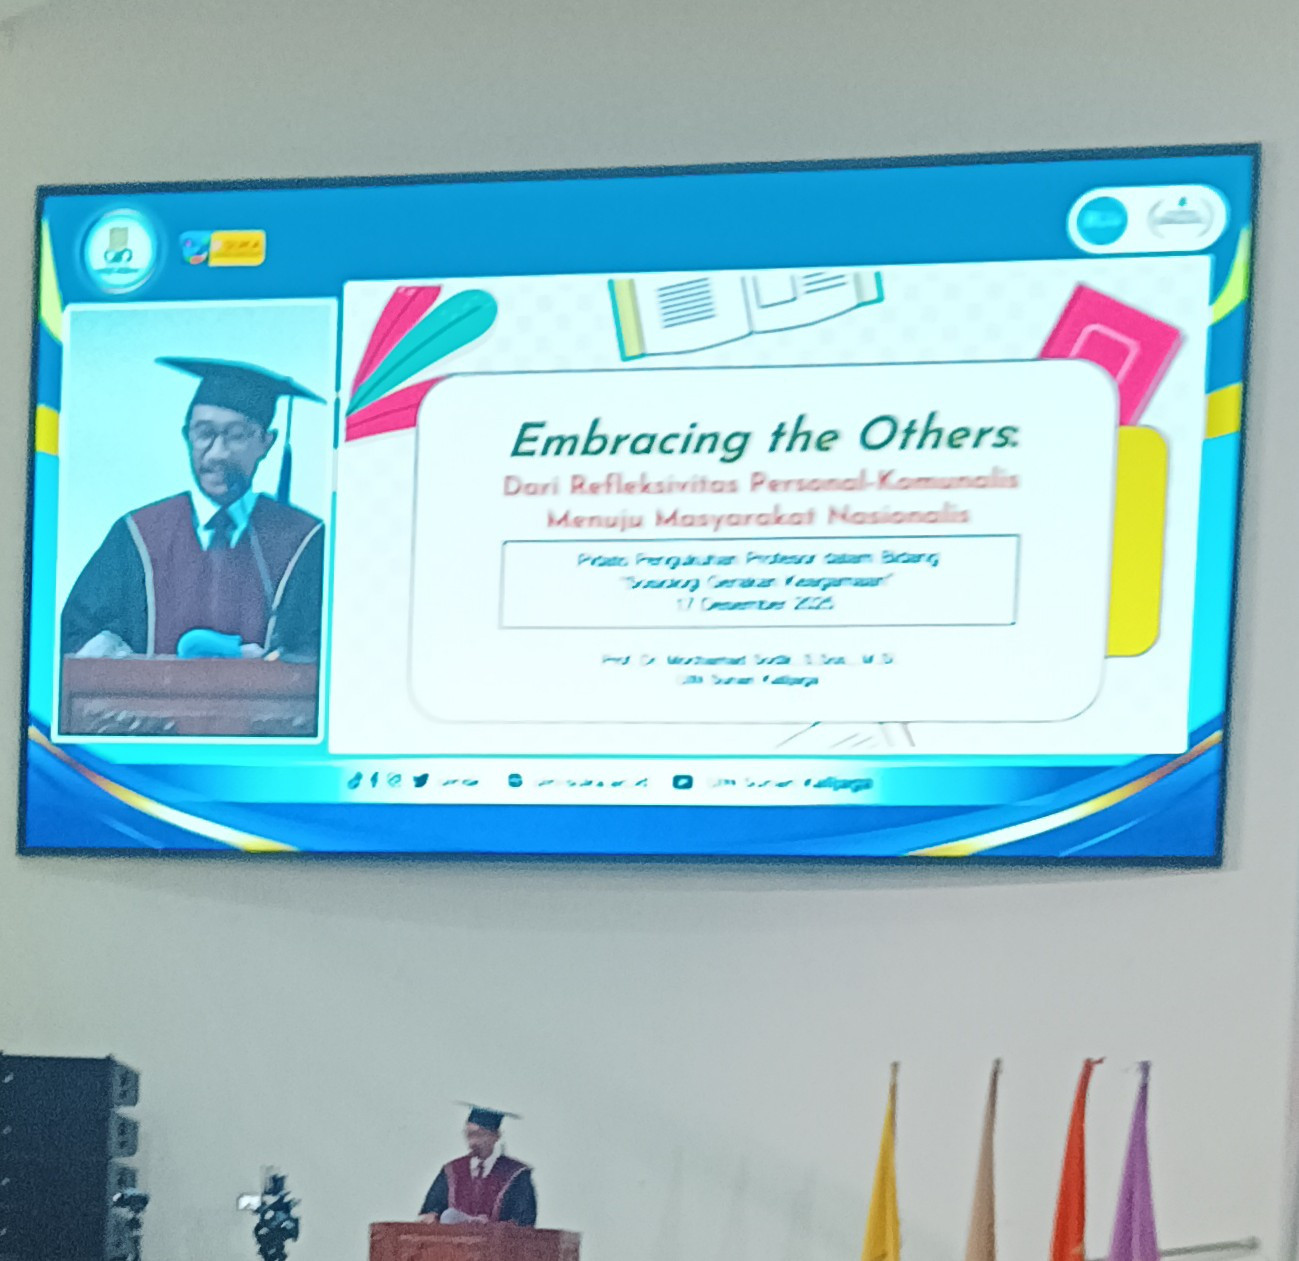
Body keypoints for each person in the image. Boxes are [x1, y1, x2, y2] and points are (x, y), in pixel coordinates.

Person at [60, 357, 327, 662]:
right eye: (204, 434)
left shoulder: (303, 539)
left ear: (266, 443)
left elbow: (324, 650)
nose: (217, 453)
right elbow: (77, 637)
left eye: (236, 435)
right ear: (187, 436)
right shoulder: (138, 534)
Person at [419, 1105, 537, 1227]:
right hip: (453, 1239)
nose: (472, 1142)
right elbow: (430, 1212)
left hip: (496, 1239)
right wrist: (432, 1217)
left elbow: (524, 1222)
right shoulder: (451, 1170)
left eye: (479, 1135)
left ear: (496, 1136)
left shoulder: (516, 1174)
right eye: (469, 1134)